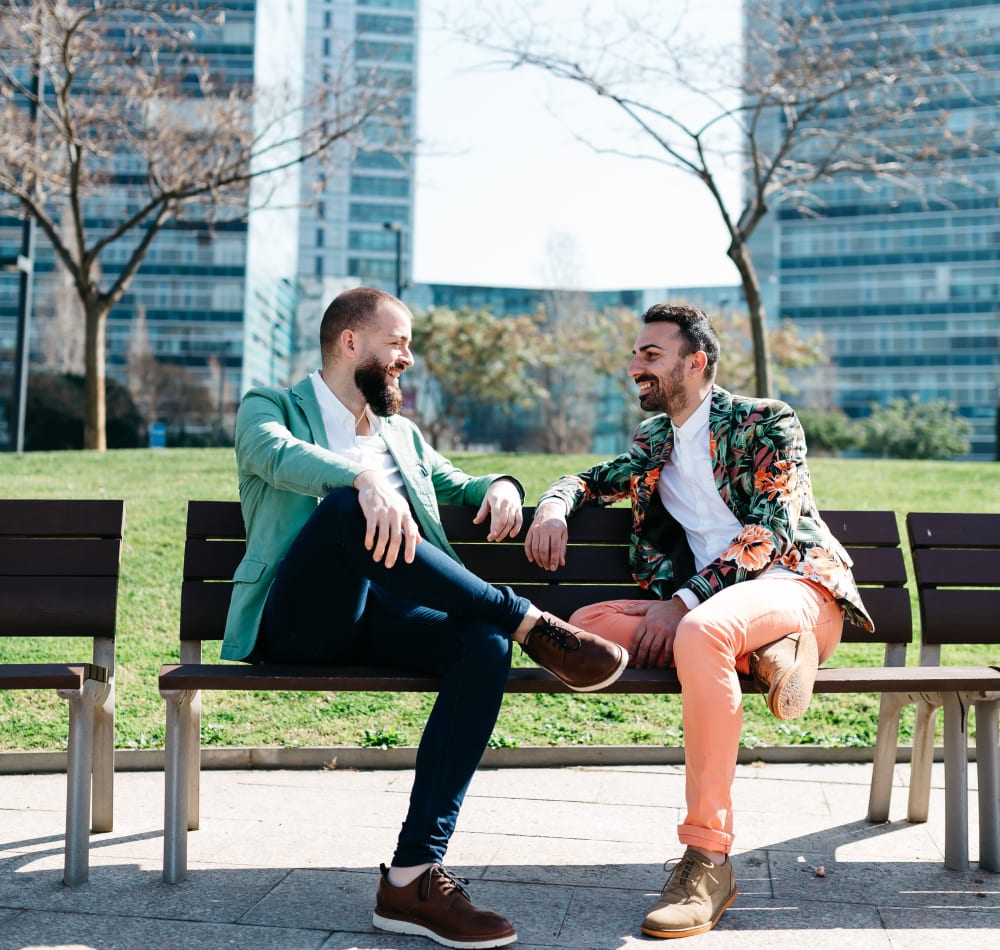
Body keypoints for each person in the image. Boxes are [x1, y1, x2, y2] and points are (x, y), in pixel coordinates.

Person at [219, 286, 628, 949]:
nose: (408, 357)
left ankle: (412, 877)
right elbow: (274, 456)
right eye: (398, 342)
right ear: (351, 342)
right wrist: (361, 480)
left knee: (485, 647)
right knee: (349, 510)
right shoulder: (273, 407)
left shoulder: (400, 435)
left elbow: (458, 482)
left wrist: (501, 487)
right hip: (302, 624)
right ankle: (528, 620)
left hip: (388, 618)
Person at [524, 303, 873, 940]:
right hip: (721, 613)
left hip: (798, 590)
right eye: (636, 355)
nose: (635, 367)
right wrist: (553, 505)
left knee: (701, 631)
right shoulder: (656, 442)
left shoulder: (767, 423)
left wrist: (682, 603)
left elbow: (766, 533)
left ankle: (708, 859)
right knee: (586, 626)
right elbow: (593, 480)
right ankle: (769, 655)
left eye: (651, 355)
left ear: (697, 362)